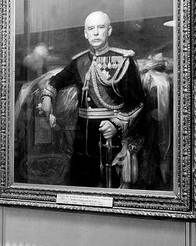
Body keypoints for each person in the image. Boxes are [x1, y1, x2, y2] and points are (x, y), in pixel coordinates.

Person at [40, 11, 144, 188]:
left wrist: (116, 124)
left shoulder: (123, 60)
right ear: (85, 33)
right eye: (91, 28)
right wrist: (47, 94)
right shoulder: (79, 62)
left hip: (110, 139)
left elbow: (137, 102)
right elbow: (58, 79)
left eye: (100, 27)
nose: (95, 32)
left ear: (109, 31)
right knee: (79, 186)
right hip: (82, 139)